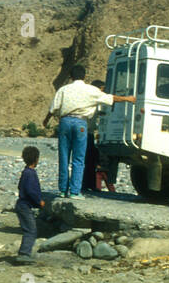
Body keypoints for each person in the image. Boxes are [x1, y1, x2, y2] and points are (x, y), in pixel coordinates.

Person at [42, 65, 134, 198]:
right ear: (84, 76)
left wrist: (46, 121)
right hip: (80, 123)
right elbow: (110, 98)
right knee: (79, 159)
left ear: (71, 76)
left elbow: (53, 109)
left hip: (65, 122)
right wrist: (128, 99)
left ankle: (62, 190)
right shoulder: (90, 90)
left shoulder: (63, 90)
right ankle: (74, 192)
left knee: (64, 157)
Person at [15, 145, 44, 261]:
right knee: (31, 230)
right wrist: (39, 201)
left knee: (29, 229)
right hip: (25, 206)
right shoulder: (31, 173)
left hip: (21, 205)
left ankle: (24, 253)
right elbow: (31, 191)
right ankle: (24, 254)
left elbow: (20, 186)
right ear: (36, 159)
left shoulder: (25, 172)